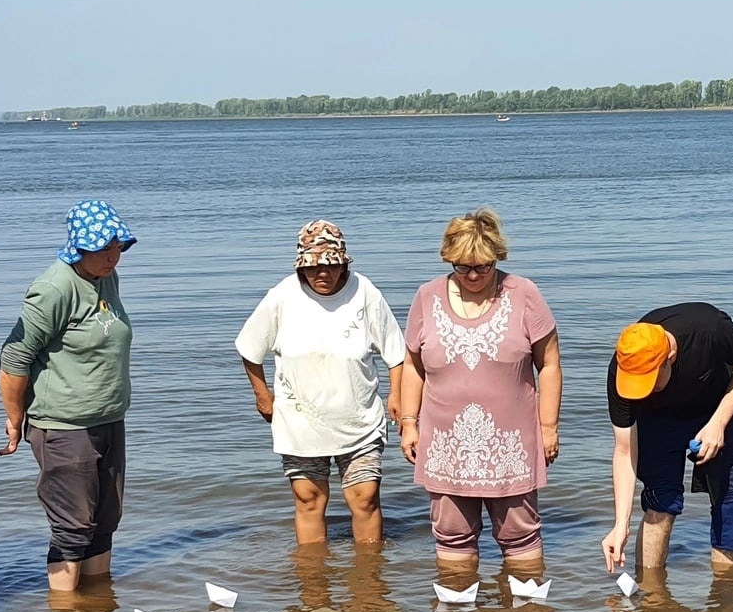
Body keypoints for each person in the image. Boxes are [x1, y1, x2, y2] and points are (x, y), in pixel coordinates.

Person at [393, 209, 561, 572]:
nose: (472, 275)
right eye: (461, 266)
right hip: (445, 444)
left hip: (511, 443)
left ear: (496, 257)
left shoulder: (524, 294)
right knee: (452, 534)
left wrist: (548, 426)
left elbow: (548, 364)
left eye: (482, 267)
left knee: (520, 536)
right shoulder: (426, 297)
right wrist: (409, 422)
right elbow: (412, 365)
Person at [235, 220, 407, 546]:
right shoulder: (282, 296)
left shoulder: (365, 291)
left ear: (344, 264)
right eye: (314, 268)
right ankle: (313, 588)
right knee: (309, 499)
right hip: (300, 421)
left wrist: (396, 394)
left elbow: (395, 351)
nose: (323, 274)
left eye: (331, 266)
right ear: (302, 268)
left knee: (365, 498)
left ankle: (369, 583)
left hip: (359, 419)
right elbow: (249, 348)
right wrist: (262, 397)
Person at [0, 199, 136, 591]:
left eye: (117, 247)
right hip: (62, 426)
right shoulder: (53, 288)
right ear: (79, 246)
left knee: (105, 522)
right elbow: (14, 357)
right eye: (103, 248)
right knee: (73, 527)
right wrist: (14, 420)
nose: (112, 256)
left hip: (109, 419)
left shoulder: (106, 276)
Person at [601, 304, 733, 576]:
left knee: (731, 501)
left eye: (650, 381)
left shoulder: (711, 329)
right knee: (660, 502)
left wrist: (718, 424)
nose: (644, 390)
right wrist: (620, 524)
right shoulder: (622, 370)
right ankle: (651, 599)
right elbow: (625, 451)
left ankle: (727, 604)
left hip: (719, 404)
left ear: (670, 356)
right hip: (659, 420)